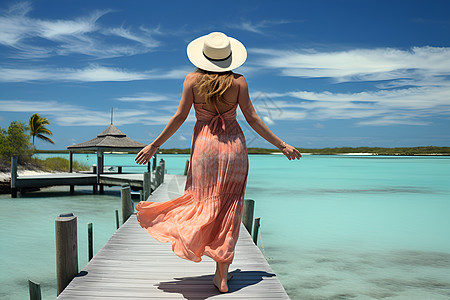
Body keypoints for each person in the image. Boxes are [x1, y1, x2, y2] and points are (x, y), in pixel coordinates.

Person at [134, 32, 301, 293]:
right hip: (234, 148)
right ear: (228, 57)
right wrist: (281, 145)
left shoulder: (192, 80)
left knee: (200, 200)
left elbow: (179, 117)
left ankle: (188, 234)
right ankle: (221, 276)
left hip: (205, 148)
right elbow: (254, 119)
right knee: (229, 208)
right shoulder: (239, 82)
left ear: (204, 56)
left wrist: (154, 145)